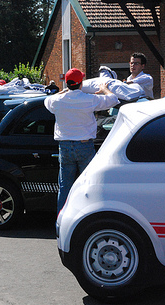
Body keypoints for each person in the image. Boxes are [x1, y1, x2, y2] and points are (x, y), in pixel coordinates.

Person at [44, 68, 120, 213]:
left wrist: (64, 91)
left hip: (65, 147)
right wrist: (104, 89)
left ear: (67, 84)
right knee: (88, 186)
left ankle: (61, 220)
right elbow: (113, 100)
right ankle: (86, 216)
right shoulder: (89, 99)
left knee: (65, 187)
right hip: (85, 146)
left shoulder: (57, 101)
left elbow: (47, 101)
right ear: (81, 84)